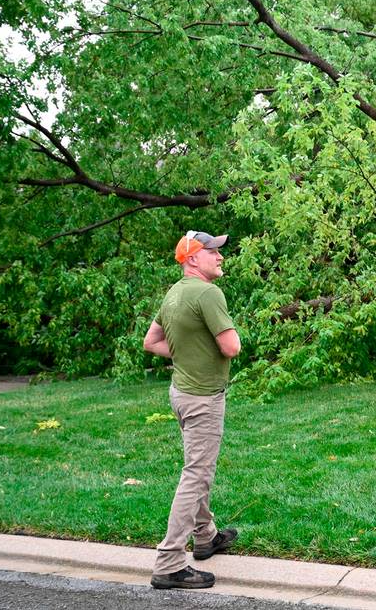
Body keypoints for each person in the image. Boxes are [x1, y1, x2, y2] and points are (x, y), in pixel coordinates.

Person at [143, 230, 241, 590]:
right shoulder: (207, 293)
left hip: (181, 393)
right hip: (203, 399)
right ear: (192, 258)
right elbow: (231, 346)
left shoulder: (174, 294)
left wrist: (187, 353)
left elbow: (151, 342)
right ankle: (169, 562)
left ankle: (206, 537)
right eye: (213, 251)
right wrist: (213, 346)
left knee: (196, 468)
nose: (220, 257)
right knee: (196, 474)